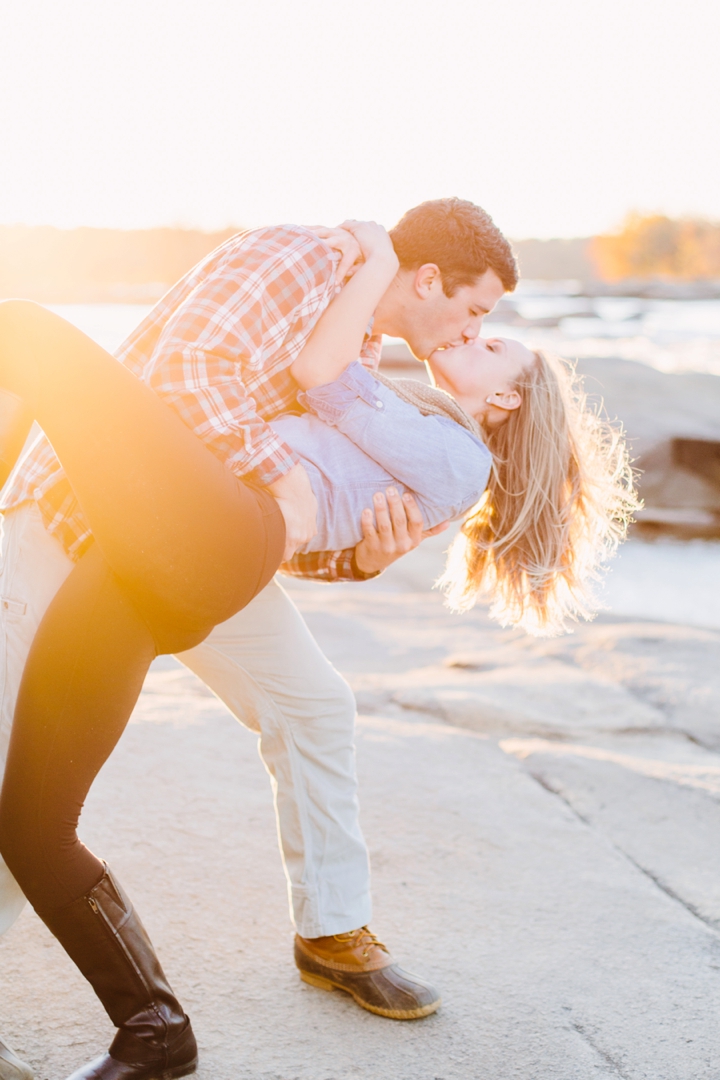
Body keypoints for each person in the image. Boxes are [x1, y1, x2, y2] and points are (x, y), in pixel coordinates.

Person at [0, 203, 520, 1080]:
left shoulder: (365, 355)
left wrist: (362, 556)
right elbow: (188, 372)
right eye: (477, 310)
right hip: (79, 525)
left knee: (314, 705)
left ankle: (331, 930)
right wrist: (280, 489)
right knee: (20, 769)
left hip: (200, 545)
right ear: (431, 279)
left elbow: (295, 522)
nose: (474, 330)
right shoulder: (306, 258)